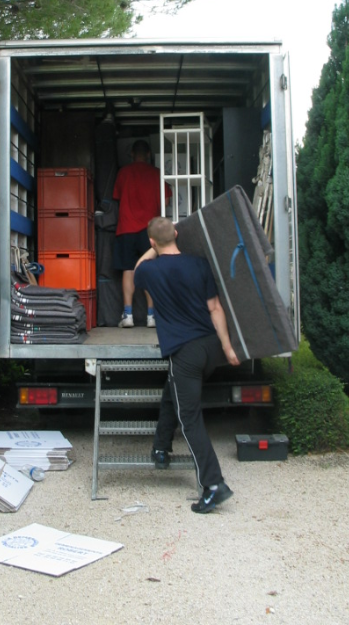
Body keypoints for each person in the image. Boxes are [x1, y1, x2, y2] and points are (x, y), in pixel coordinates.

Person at [134, 216, 240, 513]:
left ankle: (214, 485)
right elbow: (215, 308)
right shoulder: (200, 264)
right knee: (174, 389)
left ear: (152, 242)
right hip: (210, 347)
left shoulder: (150, 270)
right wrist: (227, 348)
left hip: (185, 353)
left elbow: (139, 267)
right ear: (177, 234)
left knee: (189, 419)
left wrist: (154, 247)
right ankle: (161, 446)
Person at [112, 139, 169, 327]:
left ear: (131, 154)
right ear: (149, 154)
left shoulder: (123, 173)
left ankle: (128, 315)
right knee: (150, 269)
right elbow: (167, 201)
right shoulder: (157, 174)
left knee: (128, 270)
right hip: (149, 231)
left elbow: (117, 197)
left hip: (126, 228)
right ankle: (151, 316)